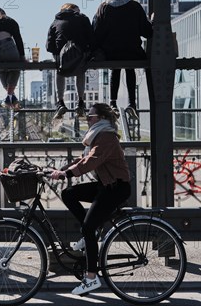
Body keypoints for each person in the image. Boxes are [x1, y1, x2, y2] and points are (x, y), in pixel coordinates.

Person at [49, 103, 131, 296]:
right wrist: (61, 170)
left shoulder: (107, 137)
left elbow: (92, 161)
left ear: (102, 118)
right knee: (69, 194)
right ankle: (89, 235)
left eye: (91, 116)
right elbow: (82, 159)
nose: (88, 118)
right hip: (106, 184)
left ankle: (91, 278)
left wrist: (67, 175)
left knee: (88, 227)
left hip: (116, 188)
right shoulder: (97, 136)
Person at [92, 0, 153, 119]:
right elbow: (147, 32)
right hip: (133, 52)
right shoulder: (135, 6)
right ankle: (132, 103)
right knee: (130, 68)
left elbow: (97, 33)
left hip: (111, 54)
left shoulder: (103, 8)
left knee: (115, 68)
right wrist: (151, 22)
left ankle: (113, 103)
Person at [46, 3, 94, 119]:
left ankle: (60, 102)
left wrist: (59, 51)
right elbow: (92, 38)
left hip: (62, 61)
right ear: (73, 10)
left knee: (59, 69)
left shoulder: (55, 22)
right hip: (80, 58)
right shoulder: (82, 18)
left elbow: (49, 46)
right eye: (77, 10)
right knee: (81, 70)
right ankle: (81, 102)